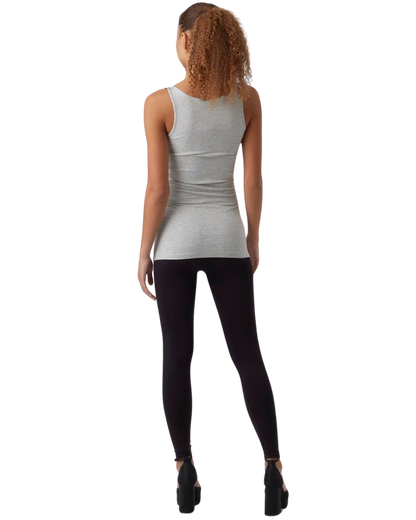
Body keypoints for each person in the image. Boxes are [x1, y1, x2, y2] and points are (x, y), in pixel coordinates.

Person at [135, 1, 290, 515]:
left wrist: (143, 253)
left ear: (185, 41)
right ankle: (273, 469)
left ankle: (183, 472)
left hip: (175, 243)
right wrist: (253, 242)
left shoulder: (158, 102)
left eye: (175, 36)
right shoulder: (248, 98)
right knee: (247, 353)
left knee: (176, 355)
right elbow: (253, 183)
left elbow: (157, 189)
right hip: (227, 239)